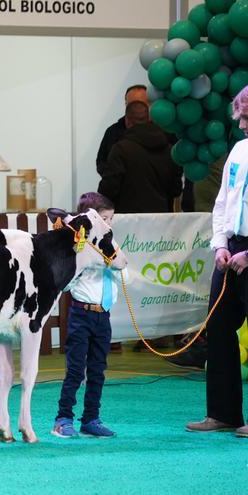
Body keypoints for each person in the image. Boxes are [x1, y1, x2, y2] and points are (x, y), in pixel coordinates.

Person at [185, 85, 248, 437]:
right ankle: (223, 413)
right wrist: (221, 244)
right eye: (239, 114)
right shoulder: (239, 150)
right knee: (220, 328)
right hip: (232, 247)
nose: (239, 123)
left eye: (245, 116)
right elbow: (224, 202)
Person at [52, 192, 129, 438]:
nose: (110, 223)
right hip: (81, 315)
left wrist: (108, 261)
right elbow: (65, 284)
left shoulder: (110, 244)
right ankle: (63, 419)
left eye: (111, 218)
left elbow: (124, 269)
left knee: (98, 369)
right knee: (75, 370)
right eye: (105, 218)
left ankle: (91, 419)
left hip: (102, 316)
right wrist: (90, 262)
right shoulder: (79, 246)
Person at [97, 101, 183, 213]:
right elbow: (176, 189)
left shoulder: (121, 150)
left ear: (127, 121)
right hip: (161, 219)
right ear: (149, 119)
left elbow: (108, 189)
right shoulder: (169, 150)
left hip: (128, 221)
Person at [95, 85, 148, 177]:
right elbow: (101, 162)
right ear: (125, 104)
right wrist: (113, 178)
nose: (135, 109)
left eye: (140, 104)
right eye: (131, 104)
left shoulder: (163, 131)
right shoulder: (112, 132)